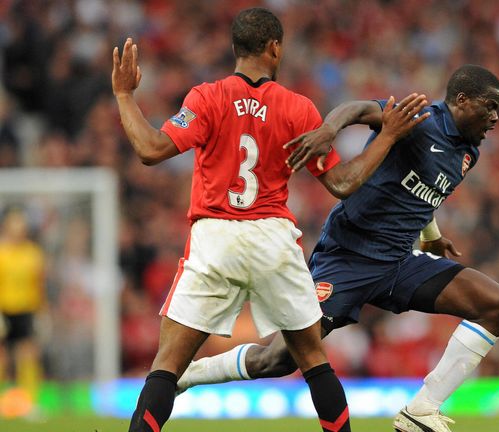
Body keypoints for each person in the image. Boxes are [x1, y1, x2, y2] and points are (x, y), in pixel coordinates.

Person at [112, 7, 431, 432]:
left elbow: (151, 150)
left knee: (168, 365)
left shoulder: (206, 97)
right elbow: (342, 183)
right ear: (274, 47)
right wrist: (387, 136)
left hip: (215, 238)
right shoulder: (297, 108)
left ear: (235, 48)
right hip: (272, 240)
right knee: (313, 360)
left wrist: (123, 95)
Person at [174, 64, 499, 432]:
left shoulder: (468, 151)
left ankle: (422, 409)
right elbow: (358, 109)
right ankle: (191, 374)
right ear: (461, 100)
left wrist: (430, 232)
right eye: (489, 105)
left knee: (496, 305)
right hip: (348, 258)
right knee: (278, 360)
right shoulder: (420, 119)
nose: (495, 117)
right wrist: (327, 130)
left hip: (399, 261)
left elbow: (418, 190)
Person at [0, 208, 45, 402]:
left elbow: (39, 284)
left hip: (26, 309)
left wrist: (43, 311)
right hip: (4, 308)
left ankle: (29, 401)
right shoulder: (1, 252)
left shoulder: (33, 253)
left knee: (27, 353)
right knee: (2, 356)